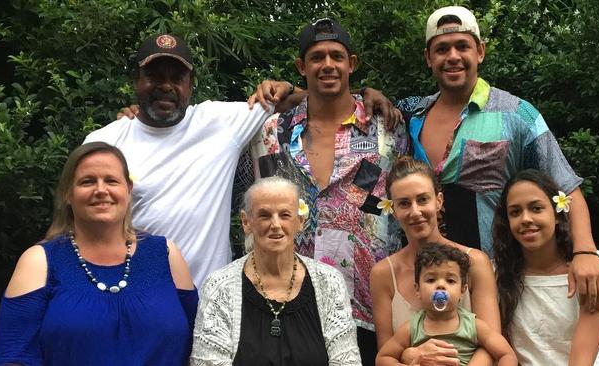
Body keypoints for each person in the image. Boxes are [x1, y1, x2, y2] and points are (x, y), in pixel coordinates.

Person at [105, 34, 399, 286]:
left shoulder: (221, 121)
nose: (166, 86)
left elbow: (322, 93)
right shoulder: (108, 142)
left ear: (191, 83)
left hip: (212, 296)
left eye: (176, 77)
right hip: (137, 294)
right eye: (155, 76)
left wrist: (360, 94)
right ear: (136, 81)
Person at [396, 5, 599, 311]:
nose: (453, 57)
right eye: (442, 49)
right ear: (429, 58)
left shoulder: (517, 114)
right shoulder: (411, 116)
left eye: (463, 46)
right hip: (428, 290)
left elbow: (566, 187)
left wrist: (585, 251)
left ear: (480, 52)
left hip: (499, 287)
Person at [247, 17, 408, 365]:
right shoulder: (271, 132)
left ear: (352, 64)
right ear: (301, 67)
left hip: (369, 306)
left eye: (337, 55)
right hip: (287, 303)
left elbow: (407, 210)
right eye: (317, 57)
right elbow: (259, 216)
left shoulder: (388, 129)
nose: (328, 65)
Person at [0, 142, 197, 366]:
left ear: (128, 190)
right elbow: (14, 357)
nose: (101, 190)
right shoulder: (38, 262)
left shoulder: (166, 254)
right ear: (68, 194)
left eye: (111, 180)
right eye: (87, 181)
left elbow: (199, 344)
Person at [190, 176, 361, 365]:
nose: (276, 224)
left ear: (300, 222)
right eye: (264, 215)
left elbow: (347, 360)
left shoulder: (329, 282)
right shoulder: (219, 287)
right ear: (247, 222)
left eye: (285, 215)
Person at [370, 156, 499, 365]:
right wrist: (412, 356)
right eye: (404, 203)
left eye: (422, 199)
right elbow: (385, 353)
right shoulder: (383, 274)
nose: (415, 212)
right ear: (393, 210)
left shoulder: (475, 262)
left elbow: (492, 345)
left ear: (438, 201)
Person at [493, 169, 599, 365]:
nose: (526, 219)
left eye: (536, 208)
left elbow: (582, 360)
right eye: (515, 212)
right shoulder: (497, 274)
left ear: (556, 214)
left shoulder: (593, 269)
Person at [376, 244, 517, 366]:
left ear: (462, 290)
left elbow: (507, 355)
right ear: (417, 290)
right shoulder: (411, 329)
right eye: (431, 280)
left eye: (450, 280)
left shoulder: (474, 326)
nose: (441, 285)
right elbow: (383, 358)